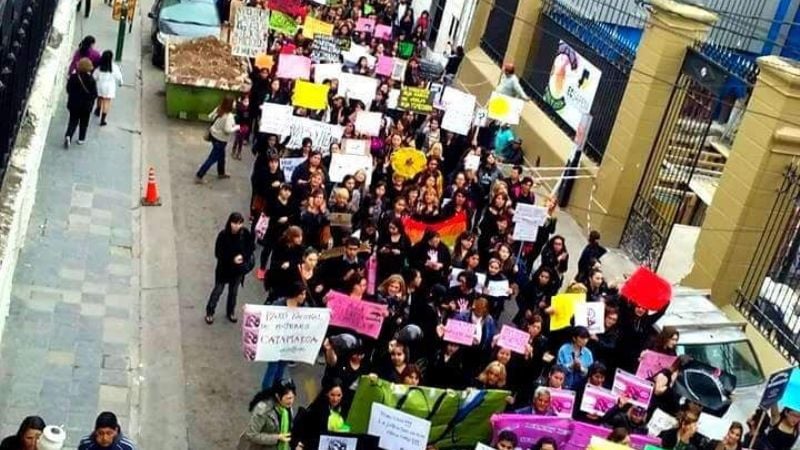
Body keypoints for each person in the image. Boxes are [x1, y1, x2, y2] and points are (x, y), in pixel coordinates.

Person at [204, 212, 254, 324]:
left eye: (239, 223)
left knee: (233, 292)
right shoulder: (223, 235)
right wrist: (232, 259)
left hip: (237, 270)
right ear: (230, 223)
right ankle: (210, 311)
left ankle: (230, 312)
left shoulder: (244, 233)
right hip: (224, 269)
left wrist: (243, 256)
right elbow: (218, 253)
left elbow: (250, 248)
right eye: (234, 223)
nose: (237, 226)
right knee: (218, 291)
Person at [239, 379, 297, 450]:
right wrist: (277, 438)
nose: (291, 401)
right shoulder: (263, 410)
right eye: (288, 398)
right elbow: (251, 435)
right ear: (278, 396)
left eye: (293, 397)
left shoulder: (287, 407)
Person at [293, 379, 350, 450]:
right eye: (332, 395)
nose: (335, 399)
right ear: (326, 393)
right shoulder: (318, 410)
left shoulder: (343, 408)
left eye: (339, 395)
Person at [196, 96, 239, 183]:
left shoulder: (219, 109)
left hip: (214, 135)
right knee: (212, 158)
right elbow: (227, 130)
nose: (235, 104)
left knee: (221, 156)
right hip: (221, 139)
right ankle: (199, 175)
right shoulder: (229, 116)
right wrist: (237, 128)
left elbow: (210, 116)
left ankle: (221, 172)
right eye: (234, 102)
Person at [64, 57, 98, 148]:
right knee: (84, 122)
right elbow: (94, 94)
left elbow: (68, 89)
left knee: (73, 121)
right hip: (86, 106)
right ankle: (81, 139)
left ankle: (68, 135)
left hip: (74, 104)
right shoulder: (91, 80)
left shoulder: (74, 77)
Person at [92, 50, 123, 126]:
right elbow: (119, 77)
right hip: (109, 87)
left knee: (100, 97)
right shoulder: (114, 67)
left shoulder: (99, 67)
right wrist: (120, 83)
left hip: (100, 85)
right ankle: (103, 119)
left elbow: (94, 76)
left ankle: (98, 109)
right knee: (107, 101)